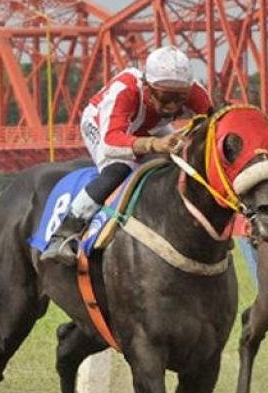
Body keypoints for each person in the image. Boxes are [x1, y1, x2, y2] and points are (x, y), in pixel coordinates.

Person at [40, 45, 213, 264]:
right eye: (165, 97)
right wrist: (153, 144)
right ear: (146, 85)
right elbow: (111, 141)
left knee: (178, 163)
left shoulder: (194, 92)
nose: (172, 107)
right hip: (102, 126)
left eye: (180, 99)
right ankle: (64, 234)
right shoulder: (126, 90)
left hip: (148, 128)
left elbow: (216, 122)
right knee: (119, 169)